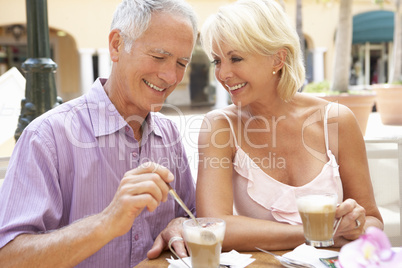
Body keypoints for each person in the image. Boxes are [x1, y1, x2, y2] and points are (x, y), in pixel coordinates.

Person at [0, 0, 197, 267]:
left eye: (182, 63)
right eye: (159, 56)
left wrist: (180, 224)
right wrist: (107, 222)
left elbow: (192, 216)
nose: (171, 76)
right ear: (117, 45)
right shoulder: (46, 137)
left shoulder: (169, 133)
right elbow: (9, 258)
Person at [196, 0, 383, 251]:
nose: (222, 74)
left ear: (277, 58)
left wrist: (357, 224)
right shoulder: (220, 127)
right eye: (217, 61)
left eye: (236, 58)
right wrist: (314, 232)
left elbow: (373, 220)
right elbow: (214, 226)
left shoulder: (336, 121)